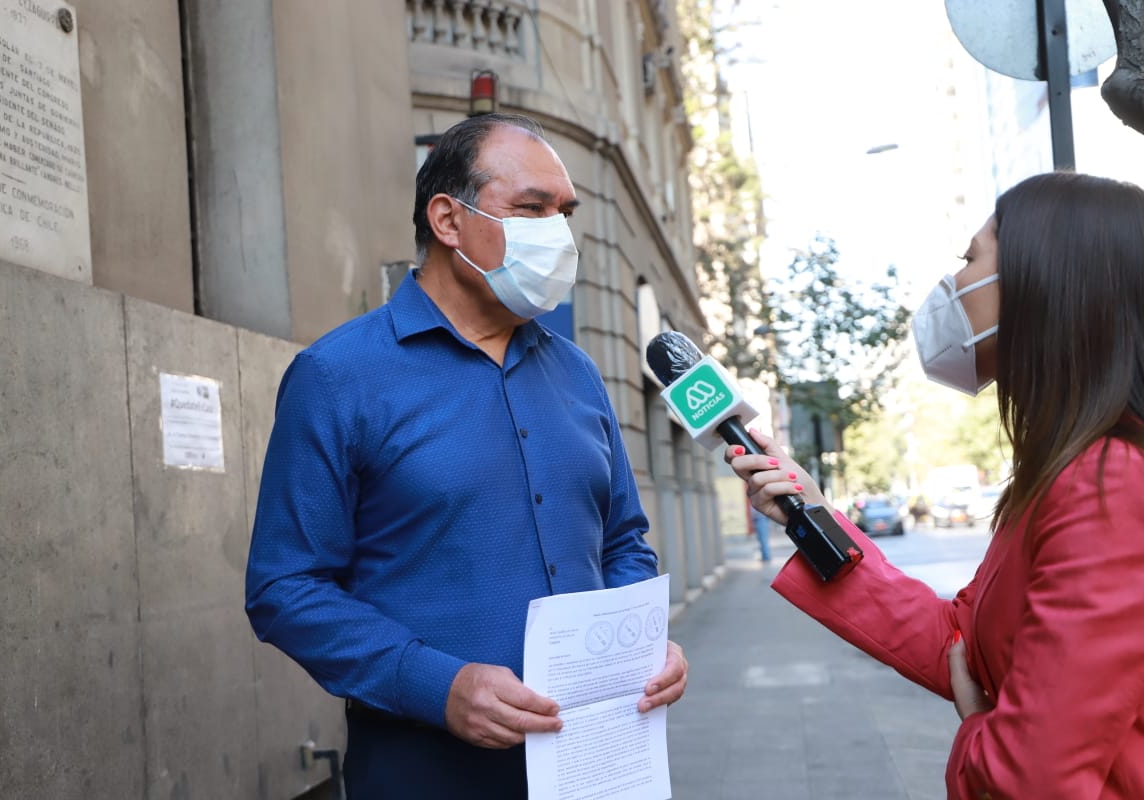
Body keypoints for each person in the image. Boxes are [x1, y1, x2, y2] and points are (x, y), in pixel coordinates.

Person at [244, 112, 687, 799]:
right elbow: (286, 588)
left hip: (598, 766)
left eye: (565, 213)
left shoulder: (577, 374)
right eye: (532, 209)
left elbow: (622, 541)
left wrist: (643, 641)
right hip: (425, 775)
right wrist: (435, 685)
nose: (558, 234)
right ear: (449, 220)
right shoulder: (337, 376)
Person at [728, 171, 1144, 799]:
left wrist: (977, 732)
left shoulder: (1107, 482)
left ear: (1043, 282)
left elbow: (1029, 778)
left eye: (970, 259)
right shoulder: (1069, 471)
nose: (954, 283)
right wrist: (811, 516)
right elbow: (960, 643)